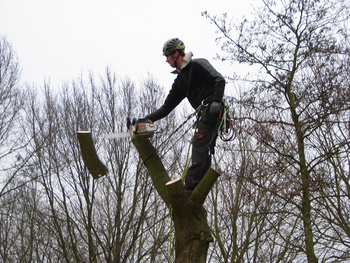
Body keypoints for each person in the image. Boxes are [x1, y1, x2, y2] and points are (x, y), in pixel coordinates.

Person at [145, 38, 225, 197]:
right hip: (204, 115)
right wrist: (148, 119)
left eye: (167, 56)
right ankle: (198, 191)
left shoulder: (198, 65)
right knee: (203, 149)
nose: (166, 60)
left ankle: (188, 191)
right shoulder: (181, 81)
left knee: (199, 147)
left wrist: (216, 101)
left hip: (212, 111)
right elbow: (167, 107)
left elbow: (219, 79)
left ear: (176, 54)